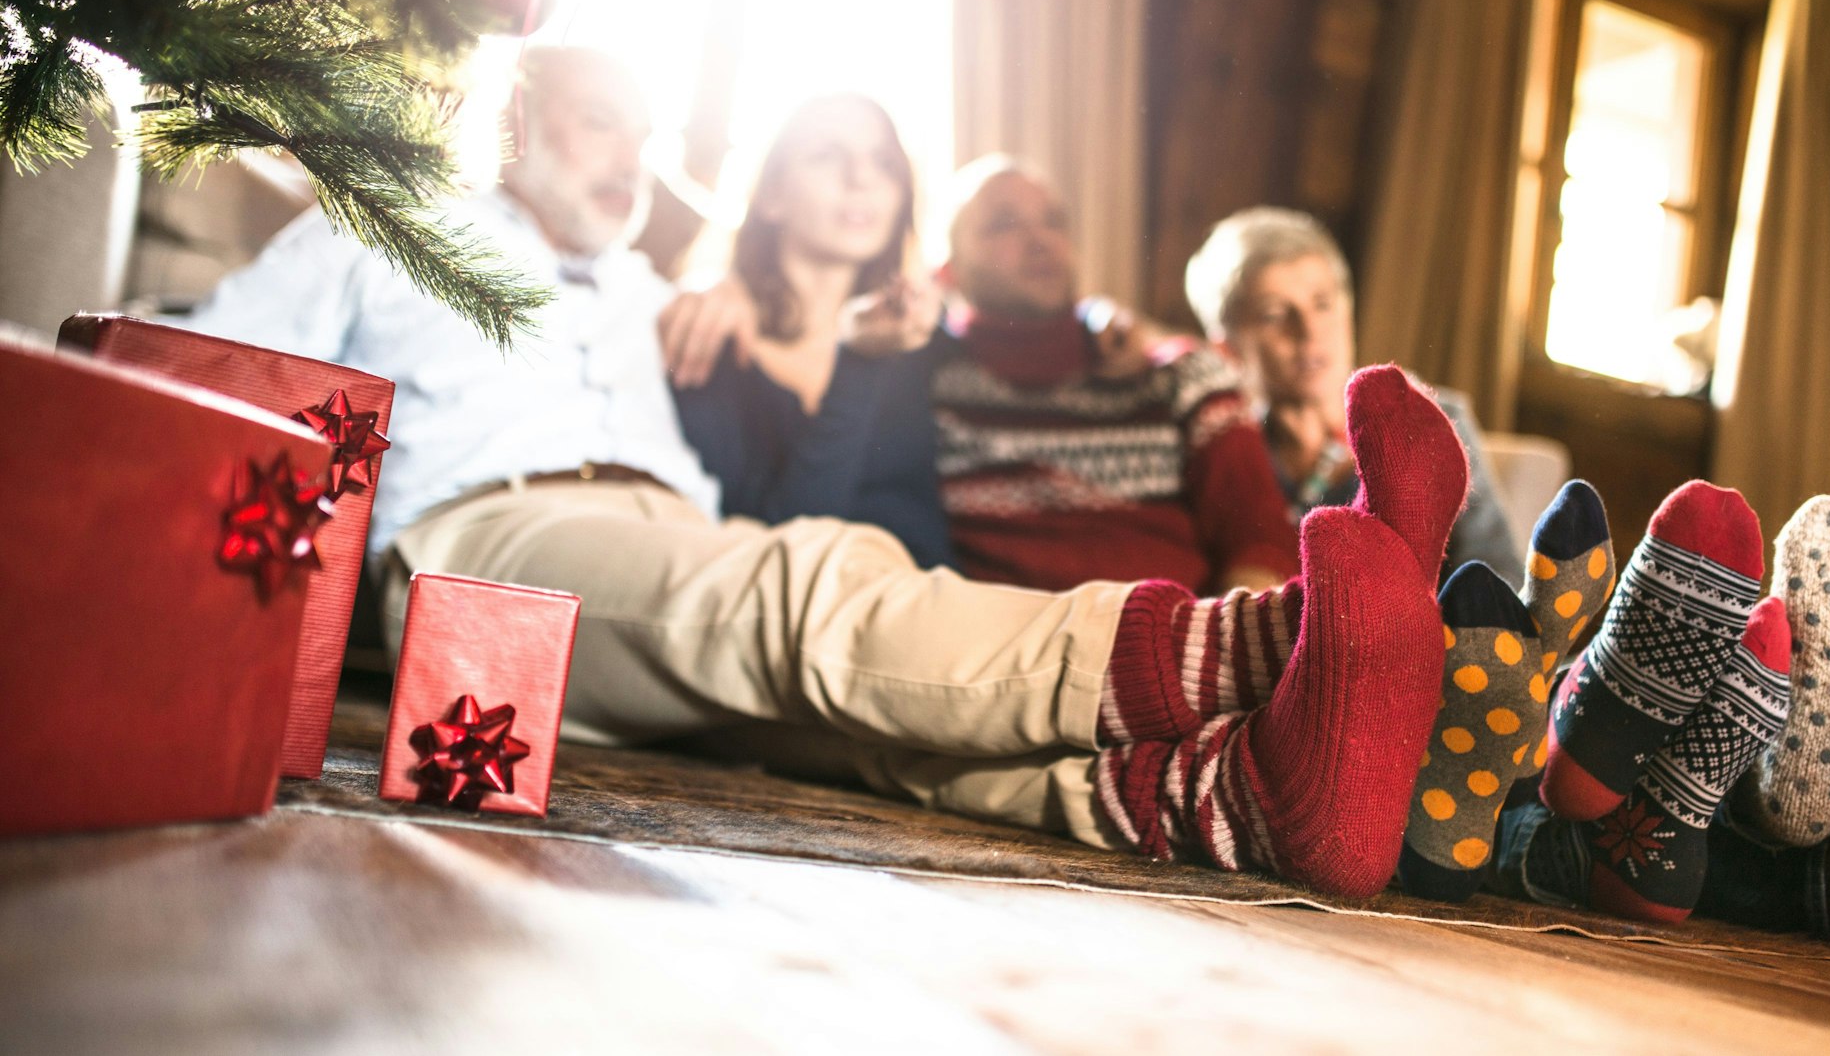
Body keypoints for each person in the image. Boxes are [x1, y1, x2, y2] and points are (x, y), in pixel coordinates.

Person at [183, 45, 1477, 902]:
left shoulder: (655, 299)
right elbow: (206, 375)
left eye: (644, 136)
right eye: (596, 125)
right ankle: (1272, 644)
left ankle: (1247, 800)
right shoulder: (385, 231)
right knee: (796, 588)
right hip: (478, 556)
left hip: (643, 578)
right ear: (514, 119)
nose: (629, 158)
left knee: (874, 728)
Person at [927, 158, 1299, 594]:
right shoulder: (926, 385)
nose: (1040, 240)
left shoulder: (1183, 378)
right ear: (947, 271)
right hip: (1010, 653)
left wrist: (1219, 651)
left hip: (1185, 644)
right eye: (1004, 224)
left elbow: (1262, 545)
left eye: (1054, 221)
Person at [667, 94, 953, 569]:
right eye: (827, 156)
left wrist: (1102, 323)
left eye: (882, 162)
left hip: (942, 609)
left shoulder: (924, 340)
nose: (861, 179)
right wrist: (859, 361)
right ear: (770, 196)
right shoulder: (708, 342)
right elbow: (786, 548)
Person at [1184, 207, 1521, 586]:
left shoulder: (1430, 418)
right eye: (1274, 315)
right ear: (1227, 348)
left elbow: (1499, 579)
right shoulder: (1226, 446)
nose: (1309, 331)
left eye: (1323, 304)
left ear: (1348, 311)